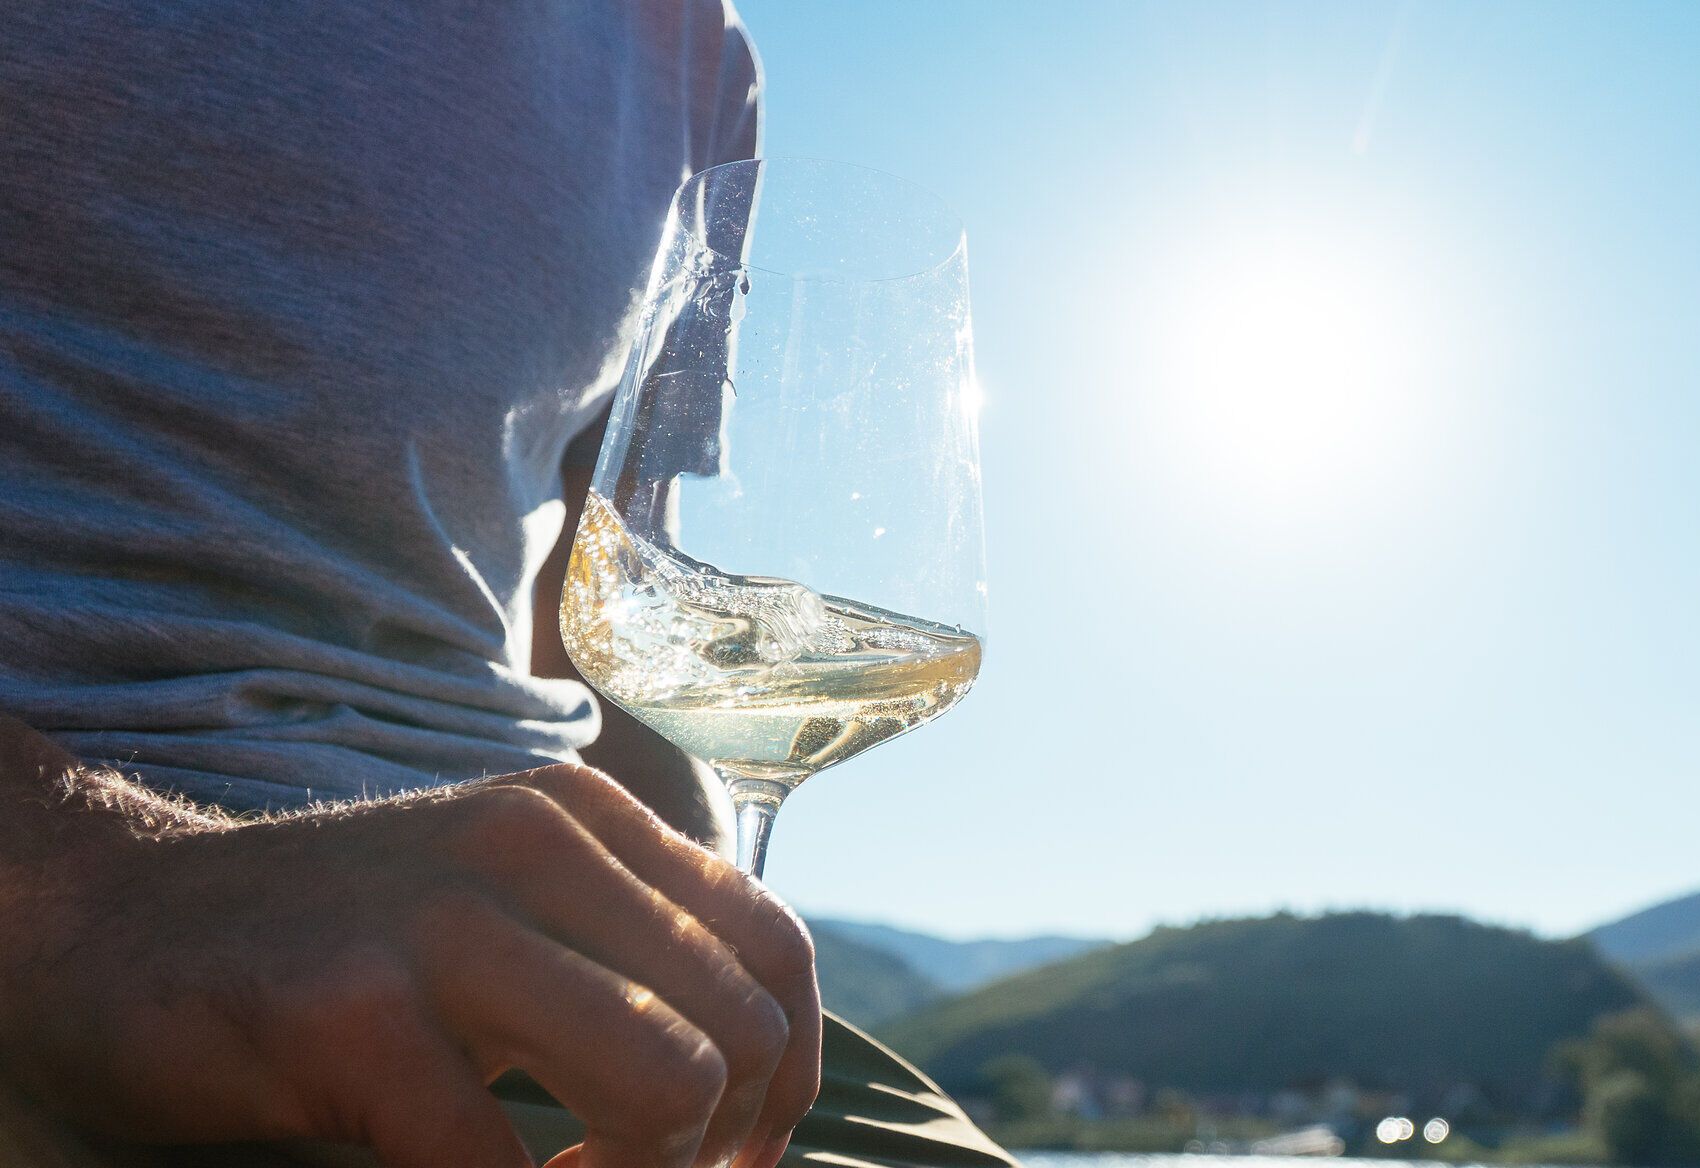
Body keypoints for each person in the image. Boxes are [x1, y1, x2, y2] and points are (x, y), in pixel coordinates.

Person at [0, 3, 1015, 1167]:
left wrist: (690, 965)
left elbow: (617, 601)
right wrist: (77, 906)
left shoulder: (693, 54)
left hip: (528, 925)